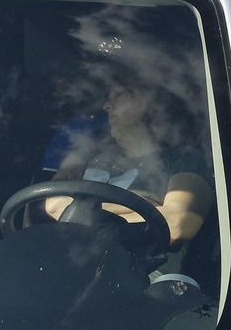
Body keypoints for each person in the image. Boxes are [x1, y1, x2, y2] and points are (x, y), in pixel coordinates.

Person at [46, 81, 213, 247]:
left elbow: (177, 224)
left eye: (118, 95)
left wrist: (81, 210)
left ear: (149, 102)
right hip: (69, 258)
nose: (106, 106)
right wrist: (146, 206)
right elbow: (54, 204)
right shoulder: (88, 153)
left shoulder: (184, 159)